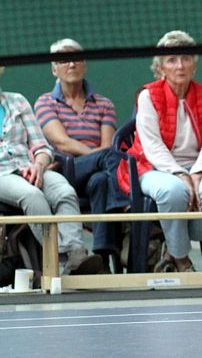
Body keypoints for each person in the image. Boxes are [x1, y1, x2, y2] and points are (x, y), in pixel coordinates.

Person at [117, 31, 202, 272]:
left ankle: (172, 249)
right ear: (160, 68)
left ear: (194, 65)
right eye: (171, 60)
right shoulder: (148, 96)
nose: (180, 65)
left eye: (186, 58)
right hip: (152, 167)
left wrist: (198, 174)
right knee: (172, 191)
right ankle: (182, 260)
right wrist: (181, 175)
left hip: (200, 168)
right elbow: (152, 147)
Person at [33, 38, 128, 269]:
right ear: (54, 68)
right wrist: (99, 157)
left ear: (85, 65)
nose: (72, 65)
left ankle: (101, 260)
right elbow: (62, 143)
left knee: (100, 181)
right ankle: (126, 211)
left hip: (95, 173)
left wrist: (99, 158)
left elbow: (108, 144)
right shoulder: (45, 102)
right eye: (64, 60)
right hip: (64, 170)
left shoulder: (104, 104)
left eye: (76, 59)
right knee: (108, 160)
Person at [0, 66, 102, 275]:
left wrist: (38, 164)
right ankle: (61, 258)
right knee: (33, 196)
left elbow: (40, 145)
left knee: (64, 192)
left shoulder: (17, 101)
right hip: (2, 174)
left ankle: (76, 253)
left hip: (29, 166)